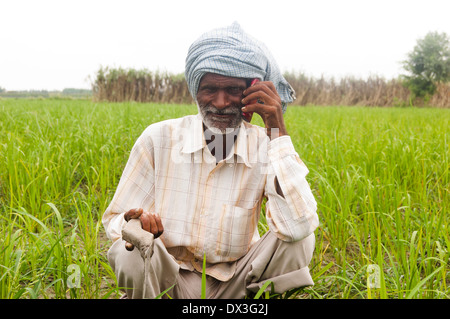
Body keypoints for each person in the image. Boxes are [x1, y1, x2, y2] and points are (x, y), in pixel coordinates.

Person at [102, 22, 319, 299]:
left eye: (232, 89)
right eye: (209, 90)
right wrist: (135, 221)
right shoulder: (159, 139)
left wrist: (277, 129)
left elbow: (298, 225)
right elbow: (115, 220)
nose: (219, 102)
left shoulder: (265, 145)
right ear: (195, 91)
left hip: (238, 282)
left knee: (300, 238)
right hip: (169, 279)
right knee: (130, 244)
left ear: (252, 91)